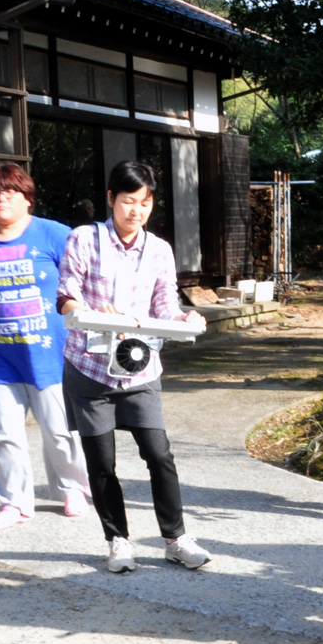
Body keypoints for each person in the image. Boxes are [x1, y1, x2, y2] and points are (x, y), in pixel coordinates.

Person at [57, 161, 211, 575]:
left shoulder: (159, 249)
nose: (136, 210)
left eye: (145, 202)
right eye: (129, 201)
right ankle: (117, 541)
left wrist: (185, 320)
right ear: (111, 199)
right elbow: (66, 297)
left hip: (139, 367)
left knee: (159, 454)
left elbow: (164, 306)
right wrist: (89, 310)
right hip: (89, 366)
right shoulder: (84, 240)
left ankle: (175, 539)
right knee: (101, 461)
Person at [0, 163, 90, 531]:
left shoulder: (53, 235)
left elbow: (80, 275)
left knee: (59, 430)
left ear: (27, 198)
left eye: (10, 191)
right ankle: (14, 504)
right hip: (0, 355)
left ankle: (72, 489)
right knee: (3, 433)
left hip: (50, 354)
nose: (1, 198)